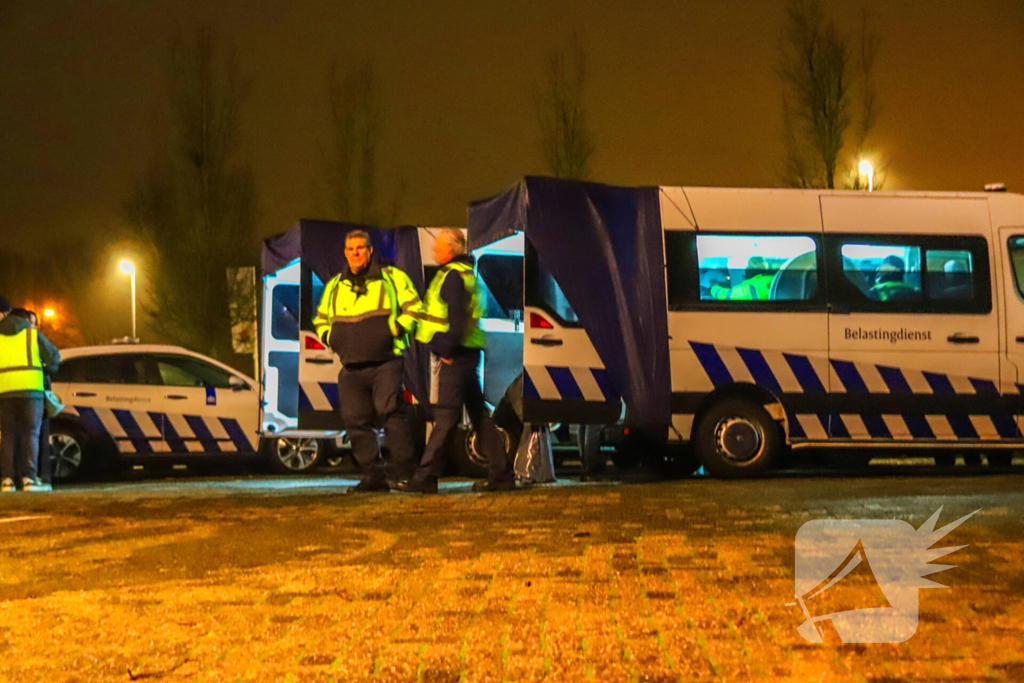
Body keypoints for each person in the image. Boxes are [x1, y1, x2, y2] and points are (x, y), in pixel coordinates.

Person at [397, 229, 512, 494]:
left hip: (455, 356)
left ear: (449, 250)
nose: (435, 251)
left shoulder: (451, 276)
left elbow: (455, 319)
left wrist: (445, 349)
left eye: (438, 247)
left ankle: (425, 477)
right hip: (466, 353)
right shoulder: (466, 273)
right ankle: (501, 474)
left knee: (446, 418)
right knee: (480, 417)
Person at [313, 230, 421, 493]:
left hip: (386, 362)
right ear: (345, 253)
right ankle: (374, 477)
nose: (355, 253)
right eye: (350, 249)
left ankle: (407, 475)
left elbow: (415, 309)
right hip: (351, 368)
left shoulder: (392, 278)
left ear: (370, 251)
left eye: (360, 248)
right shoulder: (335, 286)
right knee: (355, 421)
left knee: (391, 414)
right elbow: (320, 320)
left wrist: (395, 329)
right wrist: (329, 336)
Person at [0, 297, 60, 492]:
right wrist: (46, 369)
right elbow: (53, 356)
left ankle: (7, 480)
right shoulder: (32, 333)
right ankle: (30, 479)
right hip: (31, 390)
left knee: (7, 435)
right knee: (31, 434)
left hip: (4, 391)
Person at [708, 256, 774, 301]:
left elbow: (726, 296)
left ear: (749, 272)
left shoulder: (750, 287)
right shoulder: (773, 280)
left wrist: (714, 286)